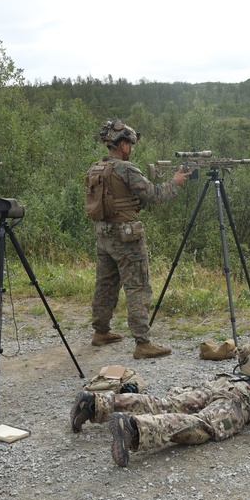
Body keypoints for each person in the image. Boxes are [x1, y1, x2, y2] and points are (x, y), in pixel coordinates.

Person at [69, 313, 250, 467]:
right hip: (247, 399)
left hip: (225, 382)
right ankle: (134, 429)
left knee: (166, 402)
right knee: (204, 426)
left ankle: (96, 404)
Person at [85, 119, 190, 357]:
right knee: (138, 287)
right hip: (126, 238)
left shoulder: (96, 168)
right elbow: (153, 194)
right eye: (130, 144)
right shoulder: (126, 169)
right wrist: (174, 183)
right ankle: (142, 343)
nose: (131, 149)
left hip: (104, 236)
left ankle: (100, 331)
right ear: (122, 145)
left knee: (105, 284)